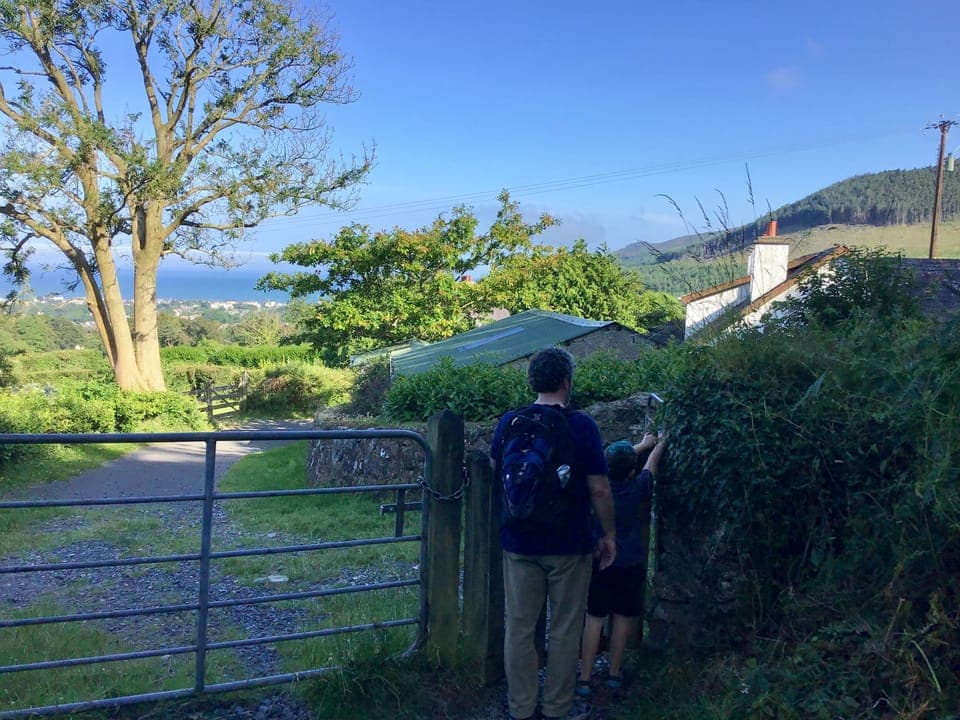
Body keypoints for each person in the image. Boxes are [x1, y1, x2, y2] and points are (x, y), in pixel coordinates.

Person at [491, 347, 617, 720]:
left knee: (519, 628)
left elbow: (500, 472)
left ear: (532, 381)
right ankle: (557, 708)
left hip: (519, 541)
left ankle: (521, 707)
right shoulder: (581, 426)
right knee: (564, 629)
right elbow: (599, 489)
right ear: (567, 381)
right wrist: (608, 533)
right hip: (569, 545)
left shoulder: (509, 422)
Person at [576, 431, 668, 695]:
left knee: (594, 617)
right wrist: (658, 444)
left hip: (601, 561)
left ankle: (584, 677)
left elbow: (605, 465)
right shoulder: (637, 487)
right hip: (630, 563)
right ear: (631, 472)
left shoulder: (597, 490)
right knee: (623, 618)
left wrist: (639, 444)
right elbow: (651, 466)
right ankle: (614, 673)